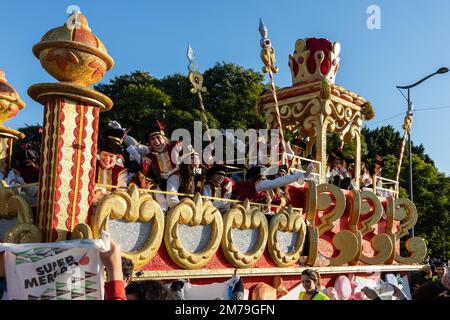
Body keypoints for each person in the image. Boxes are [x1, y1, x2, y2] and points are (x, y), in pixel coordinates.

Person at [95, 129, 128, 201]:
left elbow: (121, 192)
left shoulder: (121, 171)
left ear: (116, 157)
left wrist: (105, 194)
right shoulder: (92, 165)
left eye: (111, 156)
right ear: (99, 155)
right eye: (104, 155)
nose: (107, 159)